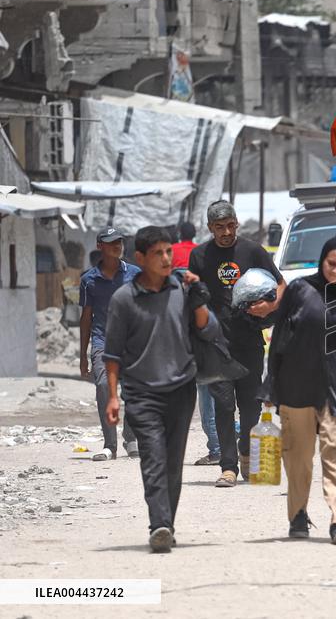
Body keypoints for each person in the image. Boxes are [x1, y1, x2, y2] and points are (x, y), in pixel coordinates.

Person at [103, 225, 219, 553]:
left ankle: (167, 522)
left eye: (169, 251)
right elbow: (112, 354)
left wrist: (198, 297)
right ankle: (160, 525)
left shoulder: (182, 288)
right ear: (140, 258)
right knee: (153, 458)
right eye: (158, 253)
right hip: (142, 394)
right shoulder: (124, 300)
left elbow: (207, 329)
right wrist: (113, 396)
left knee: (172, 462)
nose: (167, 258)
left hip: (181, 389)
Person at [265, 237, 336, 544]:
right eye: (331, 263)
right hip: (296, 385)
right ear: (322, 259)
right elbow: (279, 339)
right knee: (297, 457)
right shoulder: (299, 291)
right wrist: (270, 384)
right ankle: (298, 515)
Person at [187, 201, 285, 488]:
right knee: (223, 405)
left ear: (237, 223)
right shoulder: (199, 255)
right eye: (220, 227)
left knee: (251, 406)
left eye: (231, 225)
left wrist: (269, 307)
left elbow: (280, 285)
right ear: (210, 228)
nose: (227, 232)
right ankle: (228, 467)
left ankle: (246, 452)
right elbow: (193, 295)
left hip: (249, 340)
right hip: (217, 344)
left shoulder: (252, 250)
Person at [79, 227, 141, 462]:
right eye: (110, 241)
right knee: (104, 385)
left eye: (119, 241)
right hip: (102, 342)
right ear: (99, 246)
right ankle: (109, 445)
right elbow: (86, 318)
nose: (117, 245)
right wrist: (83, 356)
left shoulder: (135, 274)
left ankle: (131, 437)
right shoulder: (89, 280)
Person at [171, 221, 220, 466]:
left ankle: (218, 448)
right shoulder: (200, 252)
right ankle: (226, 441)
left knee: (207, 402)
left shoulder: (174, 254)